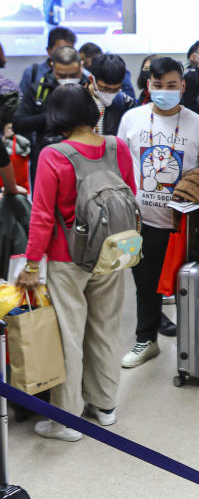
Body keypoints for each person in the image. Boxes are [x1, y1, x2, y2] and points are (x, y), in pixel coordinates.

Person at [15, 85, 137, 441]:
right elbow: (129, 195)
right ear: (93, 111)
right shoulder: (117, 147)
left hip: (67, 258)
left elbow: (41, 217)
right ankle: (106, 405)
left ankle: (67, 421)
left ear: (57, 118)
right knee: (105, 328)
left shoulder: (54, 155)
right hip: (113, 253)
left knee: (69, 334)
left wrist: (32, 263)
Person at [116, 57, 199, 367]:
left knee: (189, 285)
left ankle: (195, 344)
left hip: (184, 223)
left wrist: (198, 184)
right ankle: (146, 340)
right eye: (158, 85)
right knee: (145, 284)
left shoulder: (198, 124)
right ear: (148, 86)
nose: (165, 91)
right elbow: (120, 163)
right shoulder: (132, 119)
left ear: (183, 86)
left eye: (172, 86)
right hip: (141, 222)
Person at [14, 45, 84, 184]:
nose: (68, 79)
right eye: (62, 76)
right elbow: (18, 123)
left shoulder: (89, 88)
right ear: (52, 66)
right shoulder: (40, 88)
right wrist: (52, 118)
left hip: (83, 162)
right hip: (46, 161)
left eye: (74, 75)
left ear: (81, 67)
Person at [86, 54, 136, 136]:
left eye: (116, 89)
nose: (110, 93)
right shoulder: (78, 100)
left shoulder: (126, 103)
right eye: (105, 89)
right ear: (92, 79)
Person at [20, 26, 76, 97]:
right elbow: (21, 102)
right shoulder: (32, 73)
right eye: (61, 50)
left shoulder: (80, 75)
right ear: (49, 50)